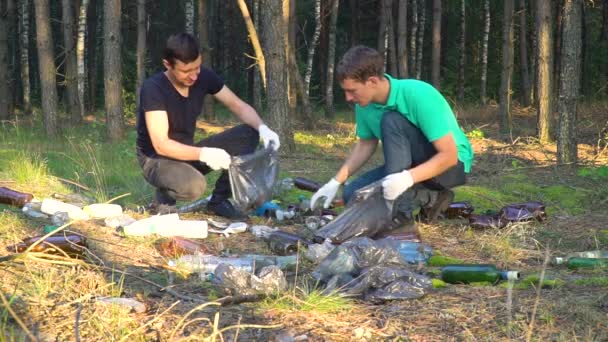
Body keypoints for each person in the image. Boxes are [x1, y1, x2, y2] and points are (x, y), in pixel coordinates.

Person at [310, 45, 473, 234]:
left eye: (352, 91)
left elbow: (449, 156)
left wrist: (406, 178)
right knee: (351, 195)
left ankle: (400, 216)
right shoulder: (364, 105)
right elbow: (366, 143)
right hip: (408, 167)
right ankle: (433, 199)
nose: (348, 97)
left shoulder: (418, 94)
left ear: (372, 81)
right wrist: (335, 181)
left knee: (392, 120)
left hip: (450, 167)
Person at [136, 33, 280, 219]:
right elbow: (161, 144)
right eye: (186, 71)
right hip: (156, 160)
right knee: (195, 185)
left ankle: (218, 201)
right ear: (168, 65)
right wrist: (204, 153)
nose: (194, 75)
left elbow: (238, 105)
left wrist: (263, 128)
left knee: (248, 133)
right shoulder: (153, 88)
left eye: (197, 67)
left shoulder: (202, 76)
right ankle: (163, 200)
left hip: (187, 153)